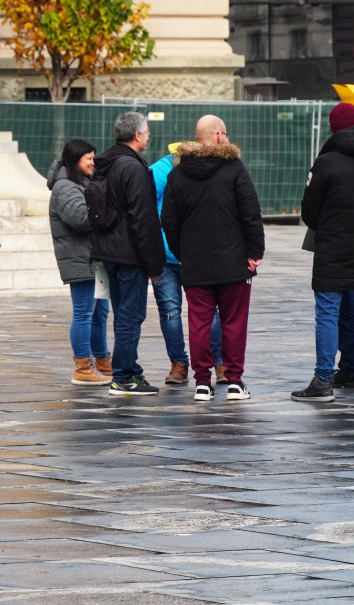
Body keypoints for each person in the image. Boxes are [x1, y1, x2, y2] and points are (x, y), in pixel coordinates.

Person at [291, 102, 354, 403]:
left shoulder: (326, 162)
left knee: (327, 314)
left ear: (333, 128)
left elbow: (309, 212)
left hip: (333, 252)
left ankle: (323, 381)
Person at [161, 115, 264, 401]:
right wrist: (255, 253)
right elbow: (251, 213)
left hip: (195, 264)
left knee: (199, 323)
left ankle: (202, 383)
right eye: (226, 133)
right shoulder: (234, 169)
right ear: (218, 136)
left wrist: (183, 253)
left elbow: (168, 220)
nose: (228, 137)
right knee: (233, 322)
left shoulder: (177, 174)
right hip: (234, 264)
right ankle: (234, 382)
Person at [91, 111, 166, 396]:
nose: (148, 135)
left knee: (123, 314)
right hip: (130, 254)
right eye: (146, 132)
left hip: (108, 251)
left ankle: (129, 368)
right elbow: (142, 219)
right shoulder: (133, 168)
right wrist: (153, 263)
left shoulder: (105, 163)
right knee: (130, 317)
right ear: (137, 135)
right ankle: (123, 376)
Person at [150, 144, 226, 386]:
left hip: (195, 254)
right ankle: (180, 363)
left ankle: (217, 362)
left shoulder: (209, 171)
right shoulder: (162, 171)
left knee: (206, 312)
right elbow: (146, 208)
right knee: (173, 311)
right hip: (167, 256)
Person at [47, 138, 110, 386]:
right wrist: (107, 207)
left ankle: (103, 362)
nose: (93, 162)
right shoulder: (65, 187)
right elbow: (82, 219)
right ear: (76, 160)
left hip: (97, 260)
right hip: (81, 261)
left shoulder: (82, 182)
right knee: (84, 313)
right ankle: (83, 367)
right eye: (89, 159)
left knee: (101, 313)